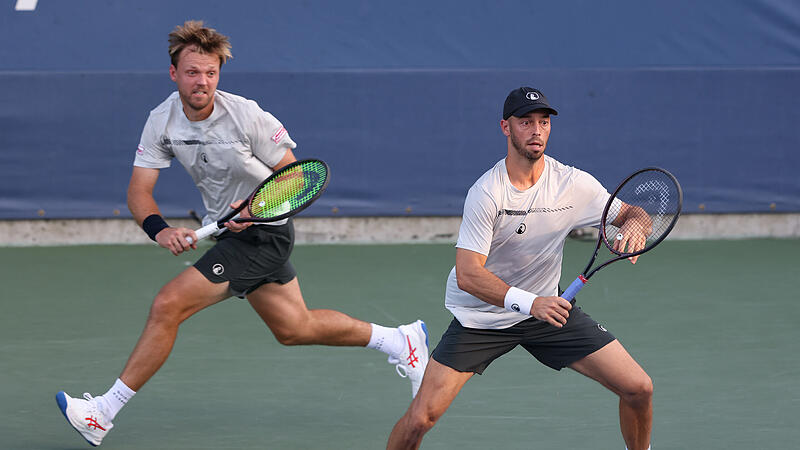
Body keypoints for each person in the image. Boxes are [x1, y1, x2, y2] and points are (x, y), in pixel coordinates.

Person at [55, 20, 428, 447]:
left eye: (210, 73)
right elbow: (139, 191)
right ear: (174, 73)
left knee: (168, 305)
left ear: (219, 74)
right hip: (226, 232)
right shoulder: (161, 120)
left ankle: (103, 412)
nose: (202, 81)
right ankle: (399, 340)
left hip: (263, 233)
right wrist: (160, 230)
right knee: (294, 327)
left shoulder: (246, 115)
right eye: (192, 72)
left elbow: (296, 176)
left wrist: (252, 209)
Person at [387, 87, 653, 450]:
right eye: (526, 122)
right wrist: (531, 303)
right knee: (420, 419)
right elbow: (468, 274)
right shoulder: (487, 192)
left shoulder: (573, 184)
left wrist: (636, 226)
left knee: (639, 388)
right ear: (505, 128)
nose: (537, 130)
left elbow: (633, 214)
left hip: (548, 312)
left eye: (543, 122)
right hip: (482, 319)